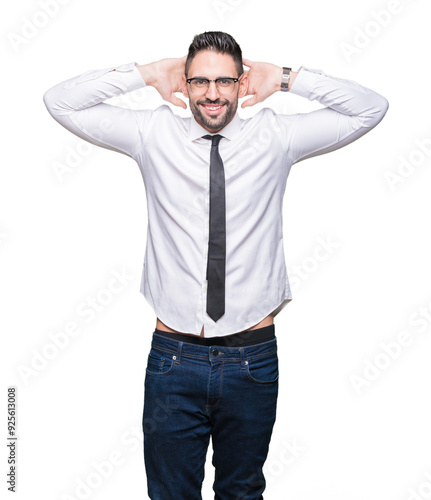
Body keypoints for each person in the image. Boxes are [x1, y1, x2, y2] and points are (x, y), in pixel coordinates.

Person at [43, 31, 389, 500]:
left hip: (252, 360)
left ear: (241, 81)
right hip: (173, 362)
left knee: (242, 493)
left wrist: (286, 79)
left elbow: (370, 107)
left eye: (224, 81)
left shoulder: (277, 136)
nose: (211, 93)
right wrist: (146, 73)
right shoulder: (152, 133)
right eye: (200, 81)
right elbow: (61, 102)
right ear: (183, 84)